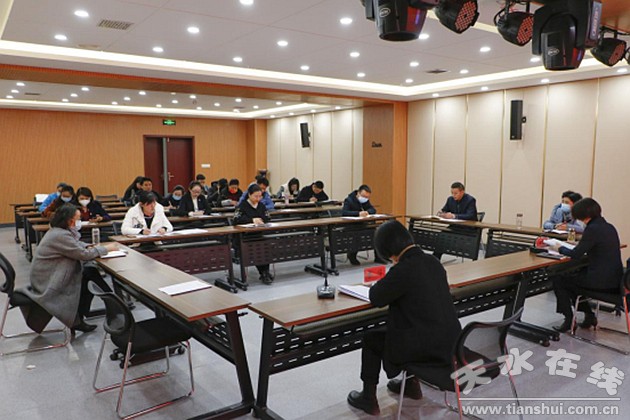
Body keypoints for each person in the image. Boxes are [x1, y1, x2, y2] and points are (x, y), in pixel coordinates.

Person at [347, 220, 461, 415]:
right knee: (414, 324)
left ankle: (368, 398)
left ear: (387, 251)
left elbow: (376, 297)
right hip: (449, 345)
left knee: (371, 339)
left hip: (424, 349)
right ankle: (410, 385)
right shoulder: (433, 262)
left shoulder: (403, 269)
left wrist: (386, 278)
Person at [21, 203, 118, 333]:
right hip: (49, 282)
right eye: (78, 219)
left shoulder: (59, 232)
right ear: (69, 221)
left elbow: (75, 244)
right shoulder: (60, 235)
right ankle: (113, 305)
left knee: (90, 273)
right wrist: (105, 249)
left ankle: (101, 309)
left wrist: (89, 246)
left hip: (51, 275)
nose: (79, 222)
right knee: (89, 276)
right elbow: (83, 255)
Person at [549, 198, 623, 332]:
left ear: (584, 215)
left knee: (560, 279)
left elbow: (576, 254)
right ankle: (589, 316)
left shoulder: (592, 229)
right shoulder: (609, 227)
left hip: (601, 282)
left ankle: (569, 319)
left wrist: (559, 248)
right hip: (616, 280)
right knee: (571, 278)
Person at [233, 184, 274, 284]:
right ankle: (263, 273)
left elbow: (267, 217)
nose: (258, 199)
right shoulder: (242, 206)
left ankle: (265, 272)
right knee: (257, 248)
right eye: (256, 196)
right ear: (249, 195)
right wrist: (252, 220)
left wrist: (261, 220)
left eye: (260, 196)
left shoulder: (261, 205)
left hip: (259, 234)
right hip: (246, 236)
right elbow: (236, 220)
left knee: (266, 246)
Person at [433, 182, 478, 260]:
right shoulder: (450, 199)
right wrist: (442, 214)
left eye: (456, 193)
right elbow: (444, 210)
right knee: (442, 235)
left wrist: (454, 216)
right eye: (452, 193)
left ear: (462, 192)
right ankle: (435, 259)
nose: (453, 195)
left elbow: (470, 215)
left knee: (453, 237)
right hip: (455, 226)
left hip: (468, 228)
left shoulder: (470, 200)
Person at [342, 185, 384, 266]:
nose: (365, 198)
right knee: (357, 235)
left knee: (376, 233)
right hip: (351, 225)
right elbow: (344, 213)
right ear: (358, 193)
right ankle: (352, 255)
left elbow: (373, 209)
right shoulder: (349, 200)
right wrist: (358, 213)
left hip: (363, 224)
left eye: (367, 197)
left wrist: (367, 212)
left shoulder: (365, 201)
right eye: (364, 196)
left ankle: (378, 256)